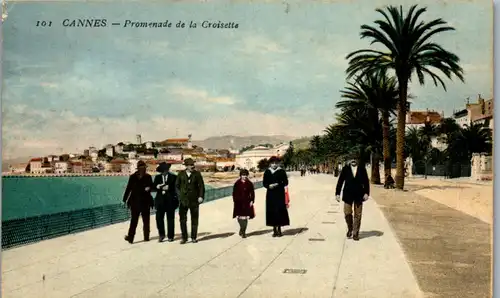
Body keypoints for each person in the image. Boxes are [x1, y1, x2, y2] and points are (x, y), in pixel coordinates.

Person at [335, 158, 370, 241]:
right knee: (347, 213)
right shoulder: (345, 169)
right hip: (348, 194)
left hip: (359, 194)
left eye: (355, 159)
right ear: (349, 160)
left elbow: (366, 181)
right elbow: (340, 181)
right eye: (352, 159)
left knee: (358, 214)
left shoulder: (362, 169)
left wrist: (366, 193)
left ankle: (355, 233)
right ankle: (350, 228)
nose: (353, 160)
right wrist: (337, 193)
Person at [122, 160, 154, 244]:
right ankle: (130, 238)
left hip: (145, 202)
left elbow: (152, 187)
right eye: (142, 168)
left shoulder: (148, 177)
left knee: (146, 221)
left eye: (144, 168)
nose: (143, 169)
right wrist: (124, 200)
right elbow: (128, 188)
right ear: (139, 168)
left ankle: (146, 237)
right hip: (135, 202)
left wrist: (149, 188)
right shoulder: (132, 177)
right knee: (134, 221)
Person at [175, 158, 205, 244]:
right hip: (183, 201)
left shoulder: (197, 174)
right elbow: (176, 186)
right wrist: (180, 196)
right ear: (186, 166)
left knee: (194, 219)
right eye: (191, 165)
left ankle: (193, 237)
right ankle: (184, 238)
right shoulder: (180, 174)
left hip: (194, 201)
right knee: (182, 220)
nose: (193, 166)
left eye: (193, 165)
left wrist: (201, 196)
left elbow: (201, 186)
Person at [264, 156, 290, 237]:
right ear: (270, 164)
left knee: (279, 210)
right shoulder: (267, 172)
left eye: (275, 163)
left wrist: (278, 184)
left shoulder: (281, 171)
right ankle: (274, 230)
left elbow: (286, 182)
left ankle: (279, 230)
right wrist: (269, 186)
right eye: (272, 163)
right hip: (270, 194)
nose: (274, 165)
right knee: (271, 211)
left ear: (277, 163)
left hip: (279, 193)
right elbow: (264, 183)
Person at [153, 162, 178, 242]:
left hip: (170, 201)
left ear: (167, 170)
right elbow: (153, 187)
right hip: (160, 202)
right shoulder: (157, 177)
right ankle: (161, 235)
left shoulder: (174, 177)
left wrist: (169, 187)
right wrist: (158, 187)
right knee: (159, 219)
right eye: (162, 171)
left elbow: (177, 188)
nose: (163, 172)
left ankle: (170, 236)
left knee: (170, 219)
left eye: (164, 170)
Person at [232, 169, 255, 238]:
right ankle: (241, 228)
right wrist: (235, 200)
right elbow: (234, 193)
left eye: (245, 175)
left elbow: (252, 192)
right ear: (240, 176)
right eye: (243, 175)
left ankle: (243, 231)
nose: (244, 176)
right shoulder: (237, 183)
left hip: (246, 202)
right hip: (238, 202)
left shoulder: (249, 183)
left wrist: (252, 200)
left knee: (245, 217)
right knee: (239, 217)